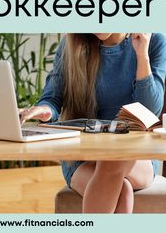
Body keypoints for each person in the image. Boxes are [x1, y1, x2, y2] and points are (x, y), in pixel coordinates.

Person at [19, 33, 166, 213]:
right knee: (123, 190)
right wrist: (45, 110)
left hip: (135, 156)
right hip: (83, 157)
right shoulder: (71, 44)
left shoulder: (154, 41)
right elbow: (52, 99)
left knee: (112, 159)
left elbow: (149, 111)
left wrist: (142, 55)